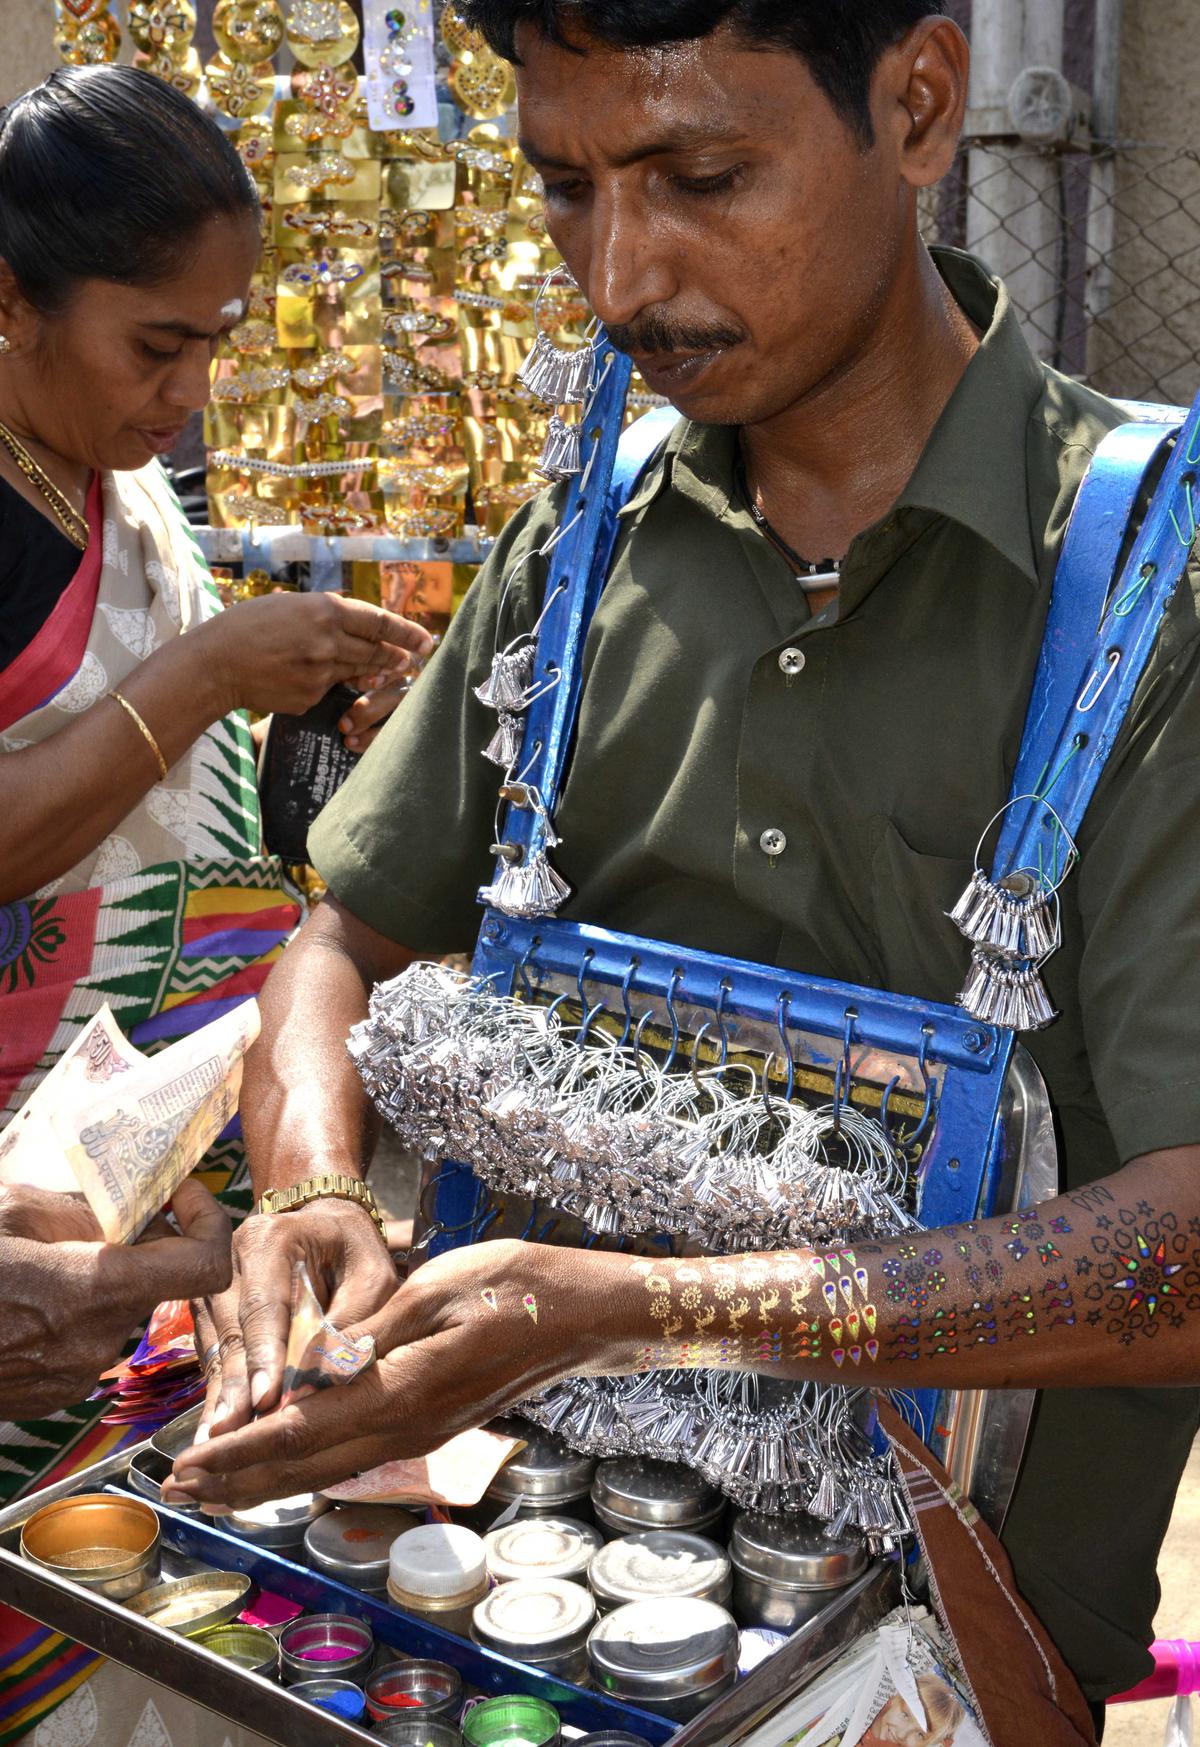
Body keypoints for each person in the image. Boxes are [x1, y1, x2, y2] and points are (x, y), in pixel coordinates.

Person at [169, 1, 1200, 1732]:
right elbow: (340, 942)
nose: (622, 277)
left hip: (939, 1668)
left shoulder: (1156, 602)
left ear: (923, 106)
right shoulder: (583, 542)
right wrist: (308, 1192)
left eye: (701, 176)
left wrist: (634, 1313)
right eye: (566, 189)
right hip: (519, 1611)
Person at [0, 63, 430, 1744]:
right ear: (10, 301)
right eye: (152, 346)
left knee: (136, 1560)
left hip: (129, 1123)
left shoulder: (98, 484)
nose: (188, 395)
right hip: (25, 1172)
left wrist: (276, 686)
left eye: (215, 342)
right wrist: (209, 671)